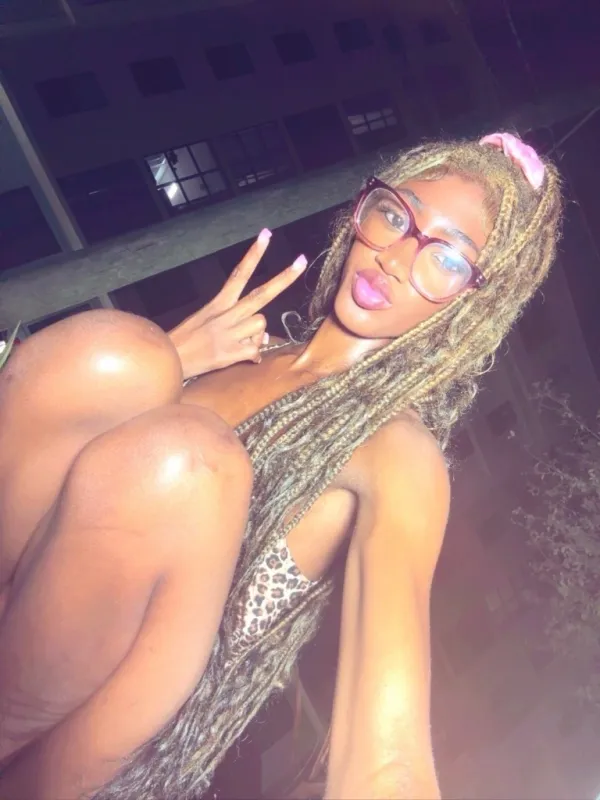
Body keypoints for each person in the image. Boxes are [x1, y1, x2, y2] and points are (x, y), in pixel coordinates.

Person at [0, 132, 561, 800]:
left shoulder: (397, 453)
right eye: (394, 215)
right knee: (119, 354)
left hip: (88, 748)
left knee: (190, 461)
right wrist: (176, 359)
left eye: (444, 258)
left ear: (475, 302)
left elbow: (388, 763)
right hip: (21, 601)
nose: (393, 257)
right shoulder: (242, 349)